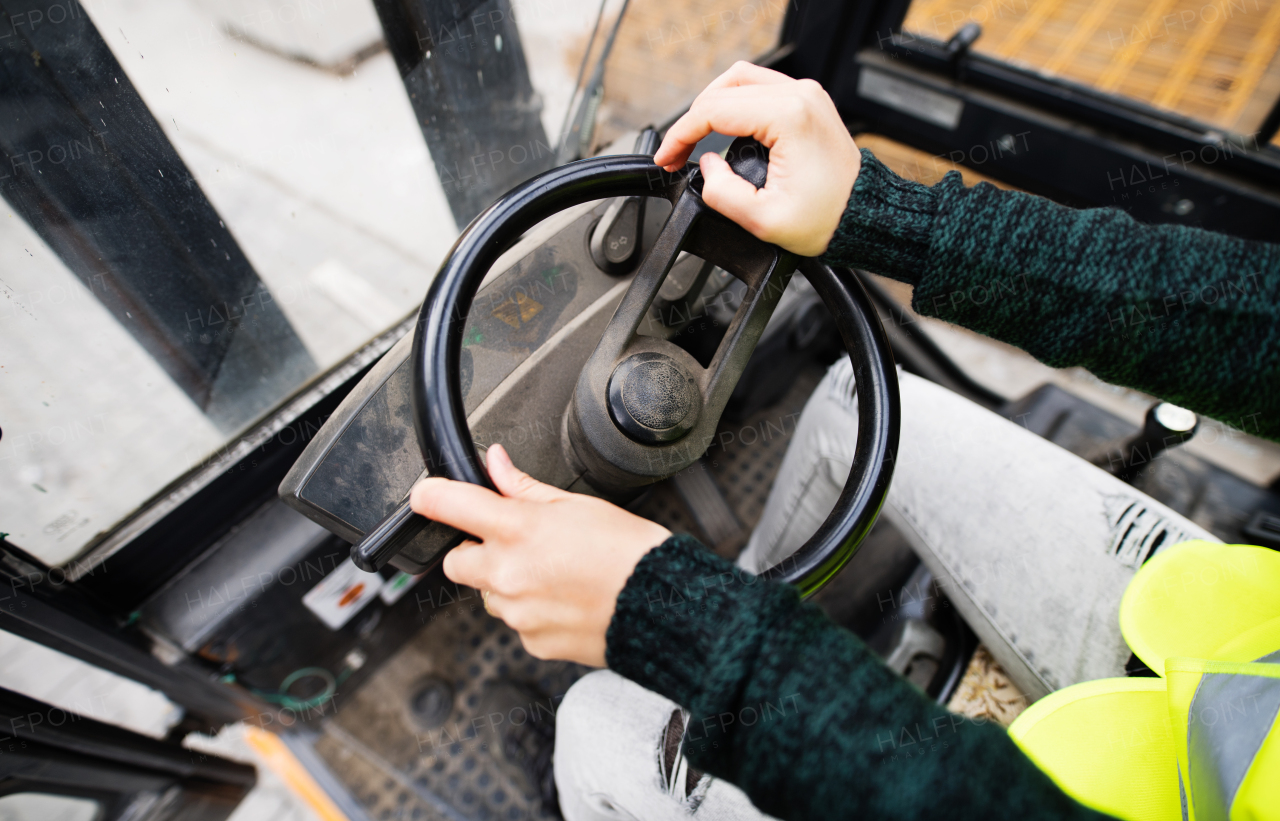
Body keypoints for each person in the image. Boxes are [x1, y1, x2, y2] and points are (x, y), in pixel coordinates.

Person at [408, 62, 1279, 820]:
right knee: (864, 395)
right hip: (1226, 640)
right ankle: (714, 641)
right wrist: (890, 216)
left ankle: (590, 788)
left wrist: (686, 627)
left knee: (594, 724)